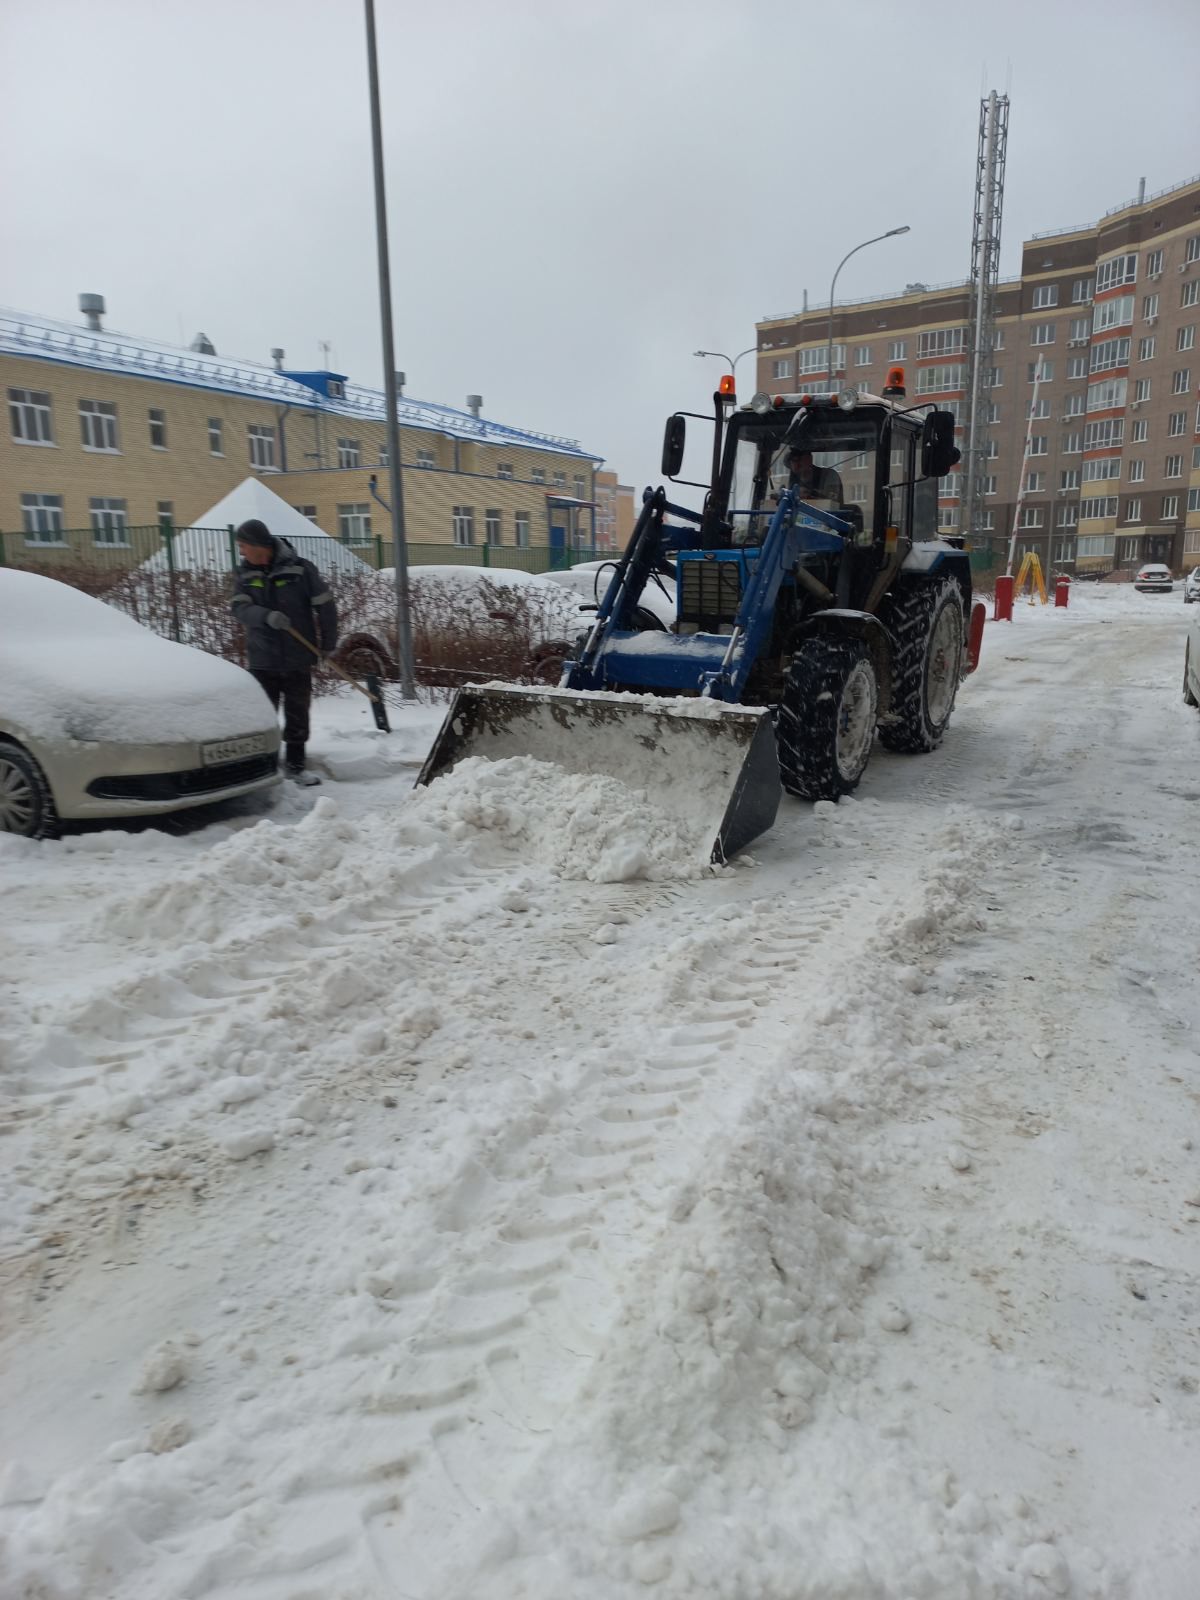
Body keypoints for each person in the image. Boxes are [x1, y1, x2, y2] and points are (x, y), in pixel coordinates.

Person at [230, 518, 337, 784]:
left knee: (297, 714)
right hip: (262, 659)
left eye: (243, 545)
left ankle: (295, 767)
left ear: (257, 545)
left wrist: (327, 644)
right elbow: (239, 608)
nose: (241, 551)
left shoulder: (300, 570)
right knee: (263, 717)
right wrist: (265, 616)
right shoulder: (244, 574)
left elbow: (325, 606)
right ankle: (262, 768)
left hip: (297, 656)